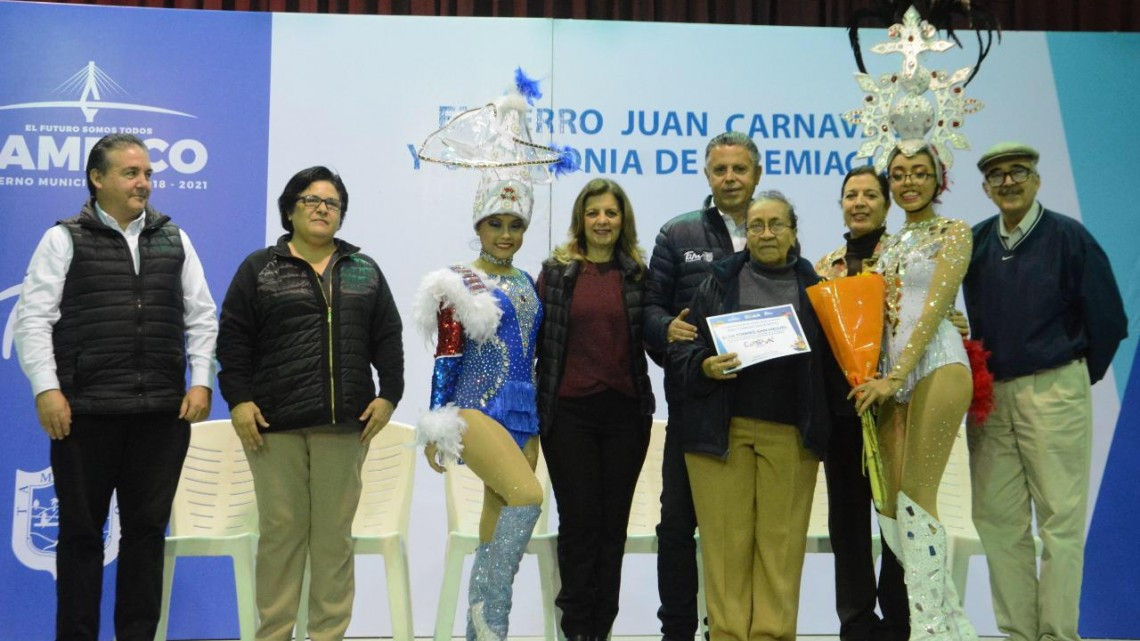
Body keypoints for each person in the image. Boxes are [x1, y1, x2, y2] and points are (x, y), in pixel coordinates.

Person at [12, 133, 218, 641]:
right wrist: (46, 389)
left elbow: (202, 316)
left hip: (161, 419)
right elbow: (32, 320)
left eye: (148, 173)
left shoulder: (176, 238)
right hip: (85, 415)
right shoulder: (62, 239)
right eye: (131, 173)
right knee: (81, 538)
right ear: (97, 178)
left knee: (147, 537)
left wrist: (199, 381)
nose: (143, 183)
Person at [216, 166, 404, 641]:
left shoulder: (364, 270)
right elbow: (233, 341)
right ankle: (274, 634)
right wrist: (238, 400)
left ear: (341, 215)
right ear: (289, 209)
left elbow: (389, 337)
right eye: (311, 200)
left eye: (332, 203)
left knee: (333, 541)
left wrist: (389, 396)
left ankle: (326, 635)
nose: (323, 209)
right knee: (281, 537)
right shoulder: (259, 268)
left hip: (345, 427)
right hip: (273, 427)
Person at [962, 142, 1127, 641]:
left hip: (1055, 388)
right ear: (985, 188)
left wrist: (1070, 376)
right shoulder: (976, 243)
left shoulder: (1069, 237)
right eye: (997, 176)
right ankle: (1018, 634)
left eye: (1018, 173)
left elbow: (1110, 321)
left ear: (1036, 179)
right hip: (992, 398)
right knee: (998, 524)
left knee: (1059, 522)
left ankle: (1058, 635)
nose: (1008, 182)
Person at [672, 191, 841, 641]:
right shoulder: (717, 282)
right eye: (757, 225)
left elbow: (835, 363)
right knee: (725, 553)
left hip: (791, 436)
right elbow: (683, 348)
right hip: (721, 435)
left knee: (780, 553)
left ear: (793, 232)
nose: (766, 233)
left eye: (776, 224)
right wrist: (705, 365)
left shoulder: (819, 289)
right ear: (745, 233)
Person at [850, 144, 977, 641]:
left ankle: (928, 629)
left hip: (937, 364)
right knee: (889, 504)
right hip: (889, 376)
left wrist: (896, 377)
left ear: (938, 179)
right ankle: (951, 623)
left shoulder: (955, 232)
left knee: (918, 500)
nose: (909, 183)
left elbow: (933, 310)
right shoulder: (888, 244)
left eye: (920, 174)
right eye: (899, 174)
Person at [413, 172, 545, 641]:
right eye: (495, 223)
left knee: (495, 533)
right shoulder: (458, 280)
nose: (506, 234)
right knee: (529, 499)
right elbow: (447, 353)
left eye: (515, 224)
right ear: (479, 225)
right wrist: (436, 422)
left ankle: (482, 635)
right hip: (478, 409)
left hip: (525, 414)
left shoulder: (530, 281)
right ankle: (492, 627)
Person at [644, 131, 762, 641]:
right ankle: (677, 630)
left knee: (743, 530)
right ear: (707, 175)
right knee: (677, 526)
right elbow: (649, 308)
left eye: (739, 169)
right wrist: (665, 332)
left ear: (756, 173)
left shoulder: (772, 227)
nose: (730, 178)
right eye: (720, 169)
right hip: (694, 405)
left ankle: (731, 628)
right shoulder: (678, 233)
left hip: (759, 406)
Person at [535, 178, 656, 641]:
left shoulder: (637, 274)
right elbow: (539, 341)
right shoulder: (558, 272)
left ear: (622, 219)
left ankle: (601, 629)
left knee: (613, 529)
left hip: (625, 416)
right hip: (568, 416)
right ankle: (576, 628)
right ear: (580, 220)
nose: (602, 221)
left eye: (611, 212)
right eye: (593, 213)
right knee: (580, 525)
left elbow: (654, 336)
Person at [814, 165, 909, 641]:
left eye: (870, 194)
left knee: (895, 516)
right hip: (842, 411)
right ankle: (855, 622)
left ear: (887, 204)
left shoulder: (904, 258)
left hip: (895, 406)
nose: (860, 202)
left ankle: (898, 620)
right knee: (847, 521)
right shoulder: (824, 265)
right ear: (841, 204)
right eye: (851, 195)